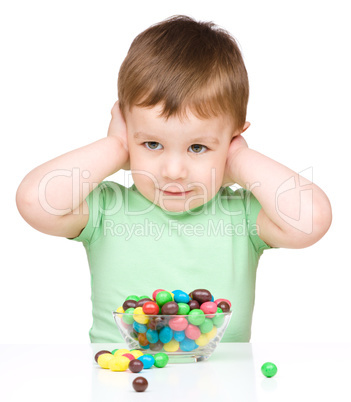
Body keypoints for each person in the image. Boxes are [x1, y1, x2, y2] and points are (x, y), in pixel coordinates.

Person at [16, 15, 332, 343]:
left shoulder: (242, 215)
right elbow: (33, 202)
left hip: (221, 386)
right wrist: (115, 148)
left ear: (232, 139)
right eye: (151, 143)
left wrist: (239, 160)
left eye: (198, 146)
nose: (173, 170)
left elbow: (311, 220)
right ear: (128, 131)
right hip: (122, 382)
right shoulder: (106, 207)